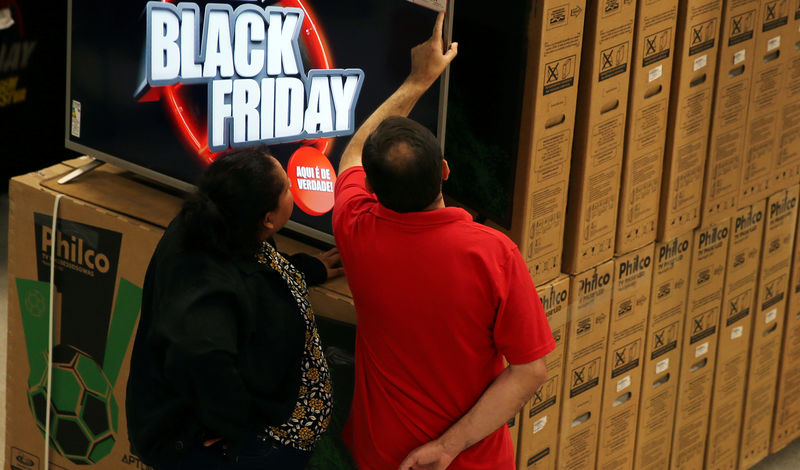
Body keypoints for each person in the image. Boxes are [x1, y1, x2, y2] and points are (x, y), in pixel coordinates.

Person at [332, 13, 555, 470]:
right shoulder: (493, 253)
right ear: (445, 171)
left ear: (372, 190)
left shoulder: (356, 228)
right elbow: (530, 370)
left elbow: (352, 152)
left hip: (381, 456)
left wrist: (417, 80)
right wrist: (448, 448)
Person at [126, 147, 343, 469]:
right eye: (285, 188)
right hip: (243, 451)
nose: (292, 190)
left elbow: (253, 269)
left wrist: (296, 271)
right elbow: (200, 351)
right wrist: (229, 422)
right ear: (267, 219)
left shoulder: (223, 222)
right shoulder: (207, 291)